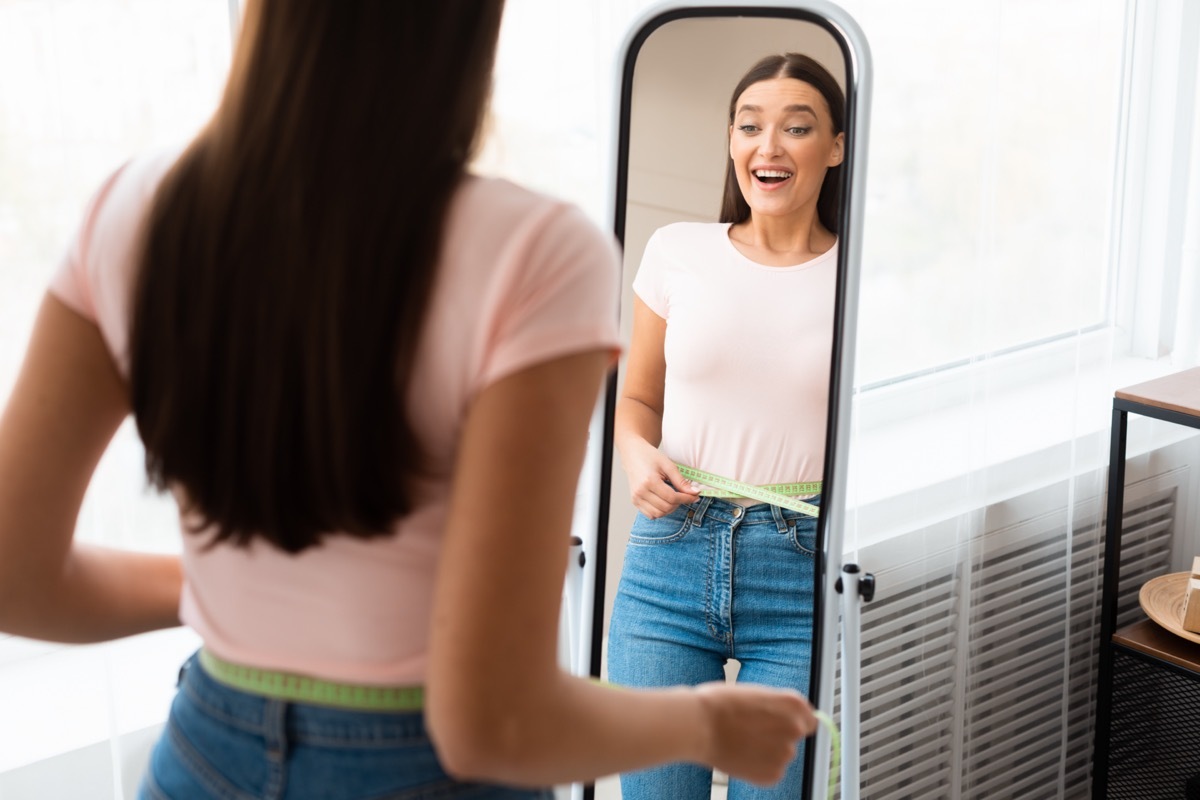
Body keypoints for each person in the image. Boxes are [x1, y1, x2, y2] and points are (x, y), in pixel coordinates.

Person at [0, 4, 818, 799]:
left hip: (203, 750)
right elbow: (489, 722)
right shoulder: (532, 252)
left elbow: (15, 578)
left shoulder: (135, 206)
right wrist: (703, 727)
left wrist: (241, 583)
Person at [607, 52, 845, 800]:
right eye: (750, 126)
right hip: (667, 565)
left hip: (800, 570)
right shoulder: (678, 251)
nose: (767, 146)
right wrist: (634, 456)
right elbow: (636, 399)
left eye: (796, 127)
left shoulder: (862, 277)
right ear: (732, 141)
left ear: (835, 147)